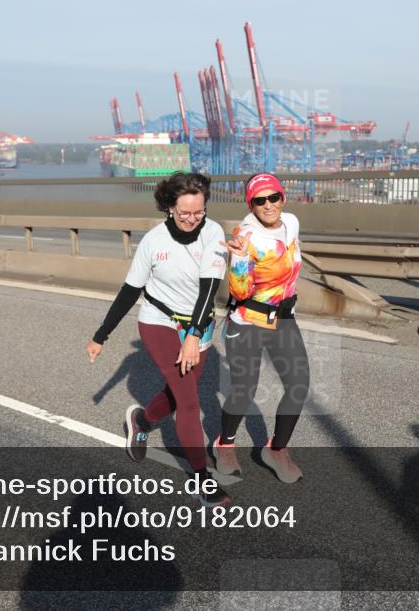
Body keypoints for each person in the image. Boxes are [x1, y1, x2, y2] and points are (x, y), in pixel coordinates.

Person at [86, 171, 231, 506]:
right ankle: (200, 479)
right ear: (169, 208)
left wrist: (194, 335)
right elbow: (130, 291)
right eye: (185, 213)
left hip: (199, 322)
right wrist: (101, 335)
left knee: (178, 392)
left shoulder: (213, 232)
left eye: (199, 211)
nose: (193, 219)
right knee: (189, 402)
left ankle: (142, 420)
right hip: (159, 321)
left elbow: (209, 288)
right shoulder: (153, 242)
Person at [213, 173, 309, 484]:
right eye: (259, 200)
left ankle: (276, 449)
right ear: (251, 204)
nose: (268, 205)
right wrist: (238, 259)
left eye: (273, 197)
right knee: (245, 391)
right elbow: (239, 292)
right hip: (248, 321)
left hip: (284, 319)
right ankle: (224, 443)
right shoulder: (246, 237)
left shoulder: (291, 223)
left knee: (298, 386)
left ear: (283, 198)